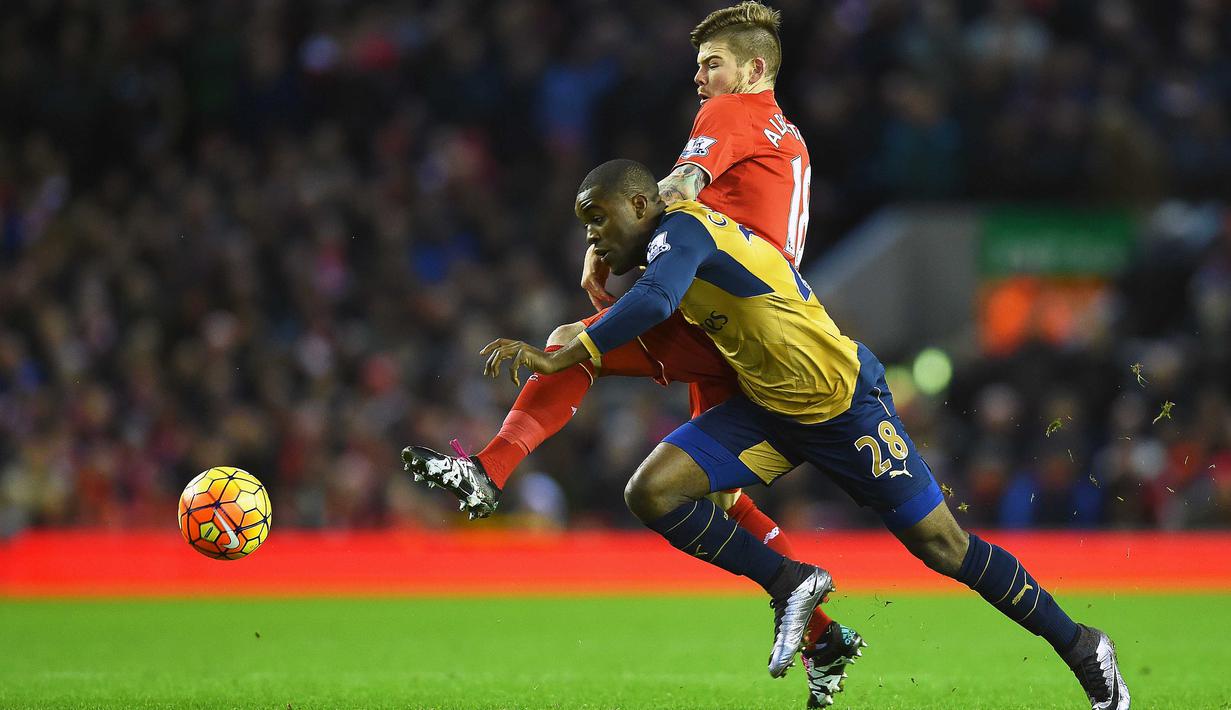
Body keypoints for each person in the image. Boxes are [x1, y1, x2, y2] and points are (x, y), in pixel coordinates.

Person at [478, 159, 1131, 710]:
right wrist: (588, 323)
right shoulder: (670, 238)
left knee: (942, 546)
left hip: (844, 406)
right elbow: (657, 315)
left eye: (598, 216)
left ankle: (1081, 646)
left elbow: (651, 302)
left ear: (641, 202)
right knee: (651, 492)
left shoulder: (679, 234)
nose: (591, 235)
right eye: (583, 223)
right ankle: (789, 580)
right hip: (770, 409)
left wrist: (569, 349)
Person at [402, 4, 863, 705]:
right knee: (721, 495)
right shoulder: (786, 134)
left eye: (712, 63)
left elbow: (675, 191)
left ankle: (489, 472)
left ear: (755, 69)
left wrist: (615, 246)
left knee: (566, 345)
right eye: (700, 64)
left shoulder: (730, 115)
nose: (699, 76)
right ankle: (823, 636)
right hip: (758, 327)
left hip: (723, 315)